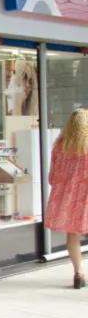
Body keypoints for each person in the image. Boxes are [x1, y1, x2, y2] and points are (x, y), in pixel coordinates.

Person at [44, 108, 88, 289]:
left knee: (73, 235)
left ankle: (78, 274)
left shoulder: (60, 145)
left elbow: (52, 178)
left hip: (69, 198)